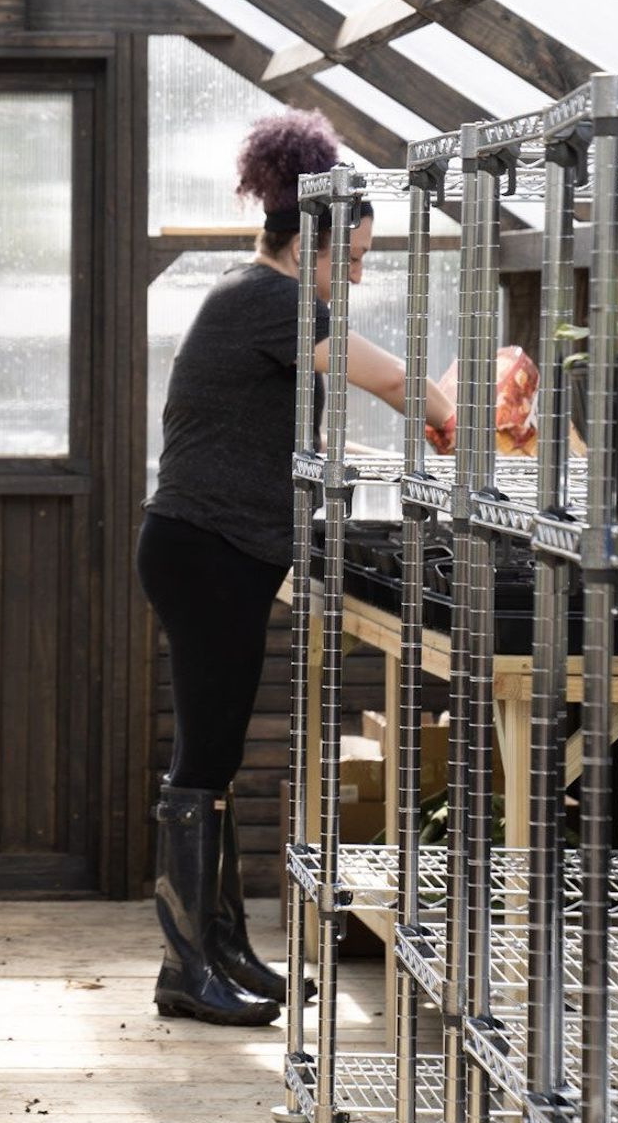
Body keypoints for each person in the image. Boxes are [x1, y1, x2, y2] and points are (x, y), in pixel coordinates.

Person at [140, 111, 454, 1028]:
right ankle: (184, 968)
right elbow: (391, 382)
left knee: (215, 756)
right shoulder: (269, 302)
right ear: (307, 240)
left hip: (212, 550)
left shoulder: (256, 297)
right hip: (207, 552)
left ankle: (222, 949)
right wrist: (459, 416)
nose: (354, 275)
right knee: (204, 759)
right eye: (349, 258)